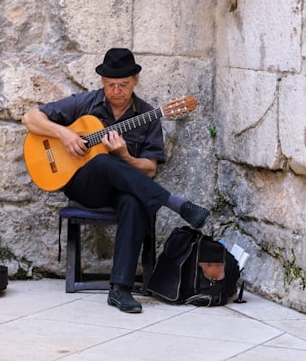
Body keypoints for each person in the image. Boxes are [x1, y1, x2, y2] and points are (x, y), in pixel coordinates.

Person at [21, 47, 209, 313]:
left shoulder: (147, 116)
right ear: (102, 82)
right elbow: (30, 118)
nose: (116, 91)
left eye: (123, 85)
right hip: (84, 185)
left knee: (133, 201)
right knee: (101, 161)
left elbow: (150, 169)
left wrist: (126, 156)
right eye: (110, 85)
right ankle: (175, 203)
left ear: (135, 81)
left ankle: (120, 289)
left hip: (123, 188)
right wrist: (64, 135)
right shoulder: (86, 103)